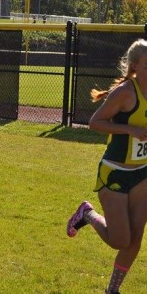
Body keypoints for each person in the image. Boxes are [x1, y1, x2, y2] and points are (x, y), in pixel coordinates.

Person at [67, 38, 147, 294]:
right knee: (120, 239)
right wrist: (129, 129)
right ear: (135, 66)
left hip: (143, 173)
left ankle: (112, 290)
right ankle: (87, 215)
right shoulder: (125, 92)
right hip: (115, 171)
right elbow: (95, 122)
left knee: (135, 238)